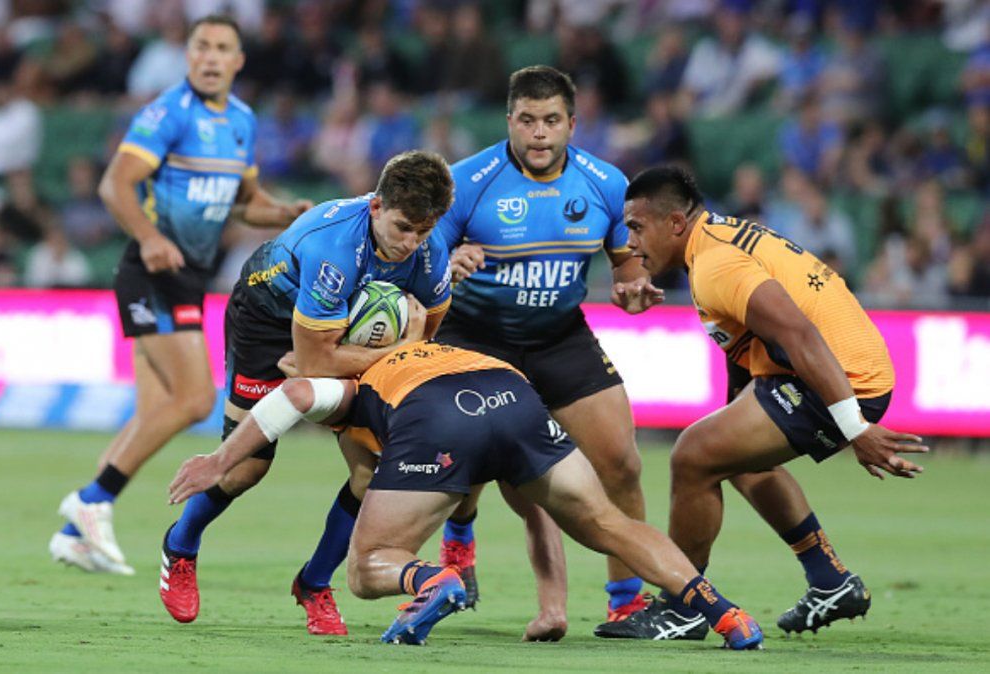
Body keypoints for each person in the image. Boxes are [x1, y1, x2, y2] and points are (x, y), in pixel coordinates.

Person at [165, 341, 765, 650]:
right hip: (509, 391)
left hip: (437, 418)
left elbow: (295, 395)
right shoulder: (436, 347)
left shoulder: (350, 380)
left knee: (368, 569)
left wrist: (220, 459)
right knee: (608, 522)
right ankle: (723, 612)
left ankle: (434, 579)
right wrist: (553, 608)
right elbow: (535, 511)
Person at [600, 165, 926, 640]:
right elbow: (750, 339)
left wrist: (855, 427)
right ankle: (830, 581)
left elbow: (799, 334)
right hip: (830, 367)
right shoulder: (714, 240)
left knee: (693, 456)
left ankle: (683, 607)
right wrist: (733, 411)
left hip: (840, 375)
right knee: (731, 457)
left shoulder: (716, 265)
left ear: (674, 223)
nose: (630, 243)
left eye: (636, 227)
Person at [52, 15, 311, 576]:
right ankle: (92, 499)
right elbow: (115, 184)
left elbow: (243, 203)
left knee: (154, 411)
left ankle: (78, 533)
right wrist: (149, 238)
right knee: (194, 401)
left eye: (222, 48)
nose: (211, 57)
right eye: (202, 47)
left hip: (186, 275)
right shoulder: (168, 112)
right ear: (188, 56)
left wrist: (285, 213)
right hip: (153, 271)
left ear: (238, 61)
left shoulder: (241, 121)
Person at [158, 150, 456, 634]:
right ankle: (181, 545)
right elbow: (315, 364)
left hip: (349, 341)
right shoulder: (333, 246)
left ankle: (314, 583)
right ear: (376, 206)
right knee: (247, 467)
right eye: (403, 227)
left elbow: (420, 347)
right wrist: (398, 349)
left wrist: (395, 350)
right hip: (268, 321)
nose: (411, 243)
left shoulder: (430, 250)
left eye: (423, 231)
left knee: (369, 473)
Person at [433, 65, 663, 633]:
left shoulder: (606, 183)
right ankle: (459, 536)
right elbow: (419, 262)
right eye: (528, 120)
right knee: (464, 464)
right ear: (509, 120)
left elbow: (627, 264)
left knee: (622, 463)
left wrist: (633, 288)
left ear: (572, 124)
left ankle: (626, 602)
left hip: (560, 336)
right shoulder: (466, 182)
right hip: (476, 337)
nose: (539, 132)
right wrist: (447, 265)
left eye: (552, 121)